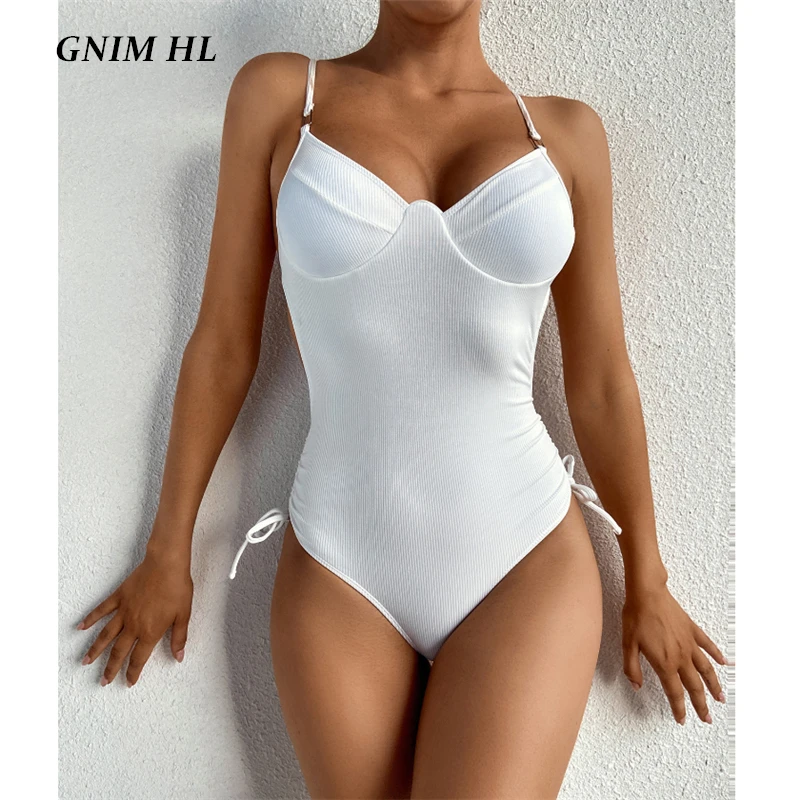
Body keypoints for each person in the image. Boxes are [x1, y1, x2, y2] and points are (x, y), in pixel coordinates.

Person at [77, 1, 729, 797]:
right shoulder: (282, 96)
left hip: (524, 554)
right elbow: (222, 344)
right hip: (339, 560)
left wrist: (648, 575)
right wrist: (166, 548)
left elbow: (600, 378)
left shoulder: (565, 135)